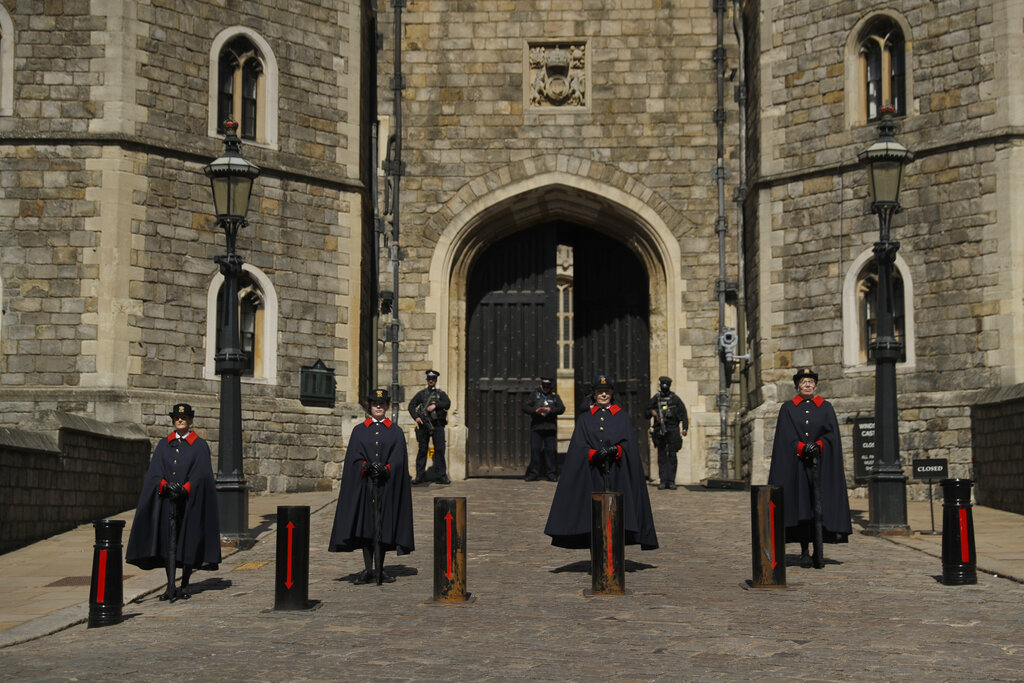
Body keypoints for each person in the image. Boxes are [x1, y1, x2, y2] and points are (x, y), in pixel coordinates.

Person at [544, 375, 658, 550]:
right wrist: (592, 454)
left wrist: (616, 450)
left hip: (617, 473)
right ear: (594, 394)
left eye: (606, 391)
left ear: (612, 394)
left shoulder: (622, 417)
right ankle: (597, 553)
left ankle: (614, 553)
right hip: (593, 474)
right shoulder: (585, 419)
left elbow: (629, 446)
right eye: (599, 392)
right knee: (594, 516)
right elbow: (578, 447)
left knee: (617, 515)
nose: (603, 395)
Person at [126, 403, 221, 602]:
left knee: (187, 542)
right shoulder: (164, 444)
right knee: (168, 544)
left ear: (190, 420)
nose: (180, 420)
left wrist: (185, 488)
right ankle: (170, 586)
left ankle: (184, 584)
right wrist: (164, 485)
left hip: (189, 501)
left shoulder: (199, 445)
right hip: (167, 502)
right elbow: (155, 471)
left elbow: (202, 474)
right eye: (177, 418)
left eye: (184, 417)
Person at [768, 368, 852, 569]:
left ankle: (818, 551)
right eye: (804, 382)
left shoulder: (826, 407)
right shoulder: (788, 408)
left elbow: (831, 435)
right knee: (802, 508)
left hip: (820, 466)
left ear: (815, 385)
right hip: (797, 466)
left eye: (811, 382)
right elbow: (785, 436)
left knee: (818, 508)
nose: (807, 385)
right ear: (797, 385)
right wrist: (801, 447)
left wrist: (819, 446)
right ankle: (804, 551)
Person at [329, 389, 415, 584]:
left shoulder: (395, 431)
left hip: (386, 486)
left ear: (386, 406)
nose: (378, 406)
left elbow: (399, 458)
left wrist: (387, 468)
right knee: (367, 528)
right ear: (370, 406)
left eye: (382, 403)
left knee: (382, 528)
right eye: (375, 403)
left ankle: (380, 569)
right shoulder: (360, 430)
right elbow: (353, 457)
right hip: (365, 486)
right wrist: (365, 466)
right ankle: (368, 569)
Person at [408, 369, 452, 484]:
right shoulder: (422, 394)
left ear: (436, 380)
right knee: (422, 450)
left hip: (438, 425)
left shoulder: (441, 394)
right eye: (429, 379)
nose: (431, 381)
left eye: (433, 379)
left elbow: (447, 404)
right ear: (427, 380)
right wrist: (417, 418)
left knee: (439, 450)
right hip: (424, 426)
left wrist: (435, 405)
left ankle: (441, 476)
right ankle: (420, 476)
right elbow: (411, 405)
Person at [648, 375, 688, 490]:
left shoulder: (675, 399)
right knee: (661, 456)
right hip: (660, 430)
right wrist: (653, 413)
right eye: (662, 385)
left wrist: (684, 428)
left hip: (672, 429)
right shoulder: (656, 399)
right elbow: (646, 411)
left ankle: (671, 481)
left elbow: (683, 414)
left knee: (672, 455)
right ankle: (663, 480)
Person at [522, 376, 565, 481]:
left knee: (550, 451)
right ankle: (534, 473)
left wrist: (551, 410)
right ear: (541, 385)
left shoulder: (555, 396)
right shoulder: (534, 395)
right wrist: (535, 411)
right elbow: (525, 407)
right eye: (544, 386)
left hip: (550, 428)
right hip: (537, 427)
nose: (546, 388)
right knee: (535, 450)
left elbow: (561, 408)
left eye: (548, 387)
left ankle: (551, 473)